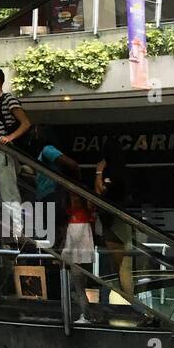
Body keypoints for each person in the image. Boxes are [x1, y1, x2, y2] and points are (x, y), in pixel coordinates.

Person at [0, 68, 31, 240]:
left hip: (4, 152)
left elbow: (25, 123)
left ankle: (18, 229)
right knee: (1, 193)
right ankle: (12, 229)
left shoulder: (7, 99)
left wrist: (9, 137)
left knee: (8, 192)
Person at [94, 139, 136, 302]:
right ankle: (130, 302)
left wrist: (98, 173)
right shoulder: (123, 170)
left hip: (114, 222)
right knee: (122, 266)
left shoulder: (111, 172)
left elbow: (100, 192)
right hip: (120, 221)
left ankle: (130, 302)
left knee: (120, 267)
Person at [61, 189, 98, 325]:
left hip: (76, 260)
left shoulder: (75, 221)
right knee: (77, 288)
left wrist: (63, 256)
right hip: (84, 259)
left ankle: (87, 314)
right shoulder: (87, 219)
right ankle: (89, 313)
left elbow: (70, 245)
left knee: (76, 289)